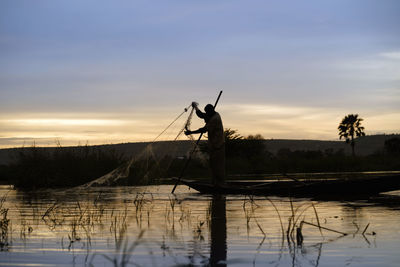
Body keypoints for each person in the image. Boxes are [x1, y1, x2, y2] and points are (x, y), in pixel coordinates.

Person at [185, 103, 226, 185]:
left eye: (207, 112)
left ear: (211, 111)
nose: (206, 114)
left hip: (218, 146)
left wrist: (191, 132)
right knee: (213, 165)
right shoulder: (212, 115)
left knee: (217, 166)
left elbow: (203, 130)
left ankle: (219, 184)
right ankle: (215, 182)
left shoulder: (215, 119)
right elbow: (201, 115)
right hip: (214, 145)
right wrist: (195, 107)